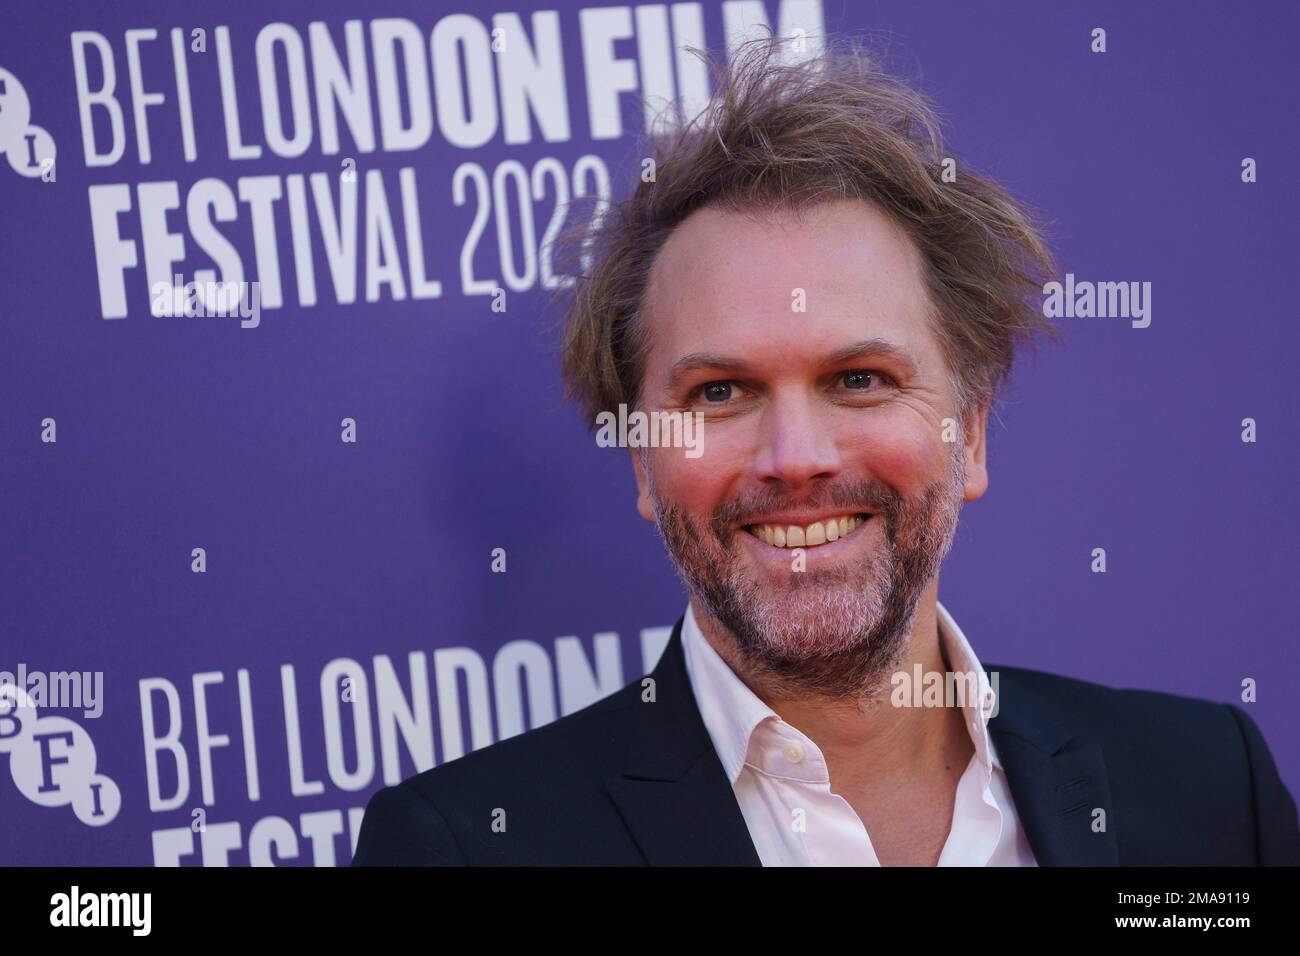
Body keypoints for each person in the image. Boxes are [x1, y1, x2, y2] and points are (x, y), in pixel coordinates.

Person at [352, 34, 1298, 866]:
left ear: (967, 432)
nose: (795, 457)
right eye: (719, 393)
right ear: (643, 458)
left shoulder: (1209, 793)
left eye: (860, 380)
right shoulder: (469, 848)